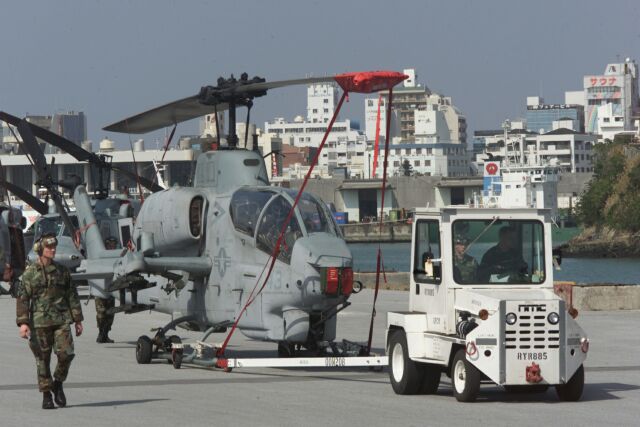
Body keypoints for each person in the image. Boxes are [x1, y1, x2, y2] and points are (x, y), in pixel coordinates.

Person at [16, 232, 83, 409]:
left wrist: (77, 319)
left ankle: (58, 383)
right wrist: (23, 323)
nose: (53, 250)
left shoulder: (62, 271)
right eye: (49, 247)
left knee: (66, 354)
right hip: (39, 323)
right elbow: (23, 298)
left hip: (61, 320)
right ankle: (46, 394)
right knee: (42, 358)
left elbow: (72, 295)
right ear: (40, 250)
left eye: (54, 247)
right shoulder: (30, 274)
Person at [95, 237, 117, 344]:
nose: (112, 247)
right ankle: (100, 333)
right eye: (110, 245)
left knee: (110, 314)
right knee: (101, 313)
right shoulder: (101, 256)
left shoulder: (116, 257)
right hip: (100, 288)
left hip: (112, 289)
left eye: (114, 245)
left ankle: (105, 334)